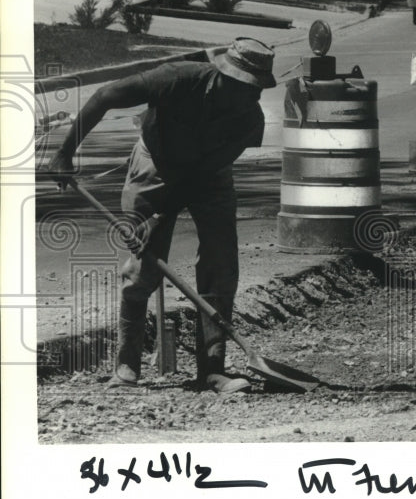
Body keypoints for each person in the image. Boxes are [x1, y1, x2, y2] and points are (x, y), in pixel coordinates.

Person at [47, 38, 277, 391]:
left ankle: (212, 369)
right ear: (223, 77)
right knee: (145, 266)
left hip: (208, 174)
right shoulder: (177, 78)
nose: (251, 96)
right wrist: (65, 152)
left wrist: (159, 217)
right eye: (245, 87)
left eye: (256, 89)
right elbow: (105, 96)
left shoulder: (249, 120)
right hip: (155, 160)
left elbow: (201, 174)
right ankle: (127, 366)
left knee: (220, 264)